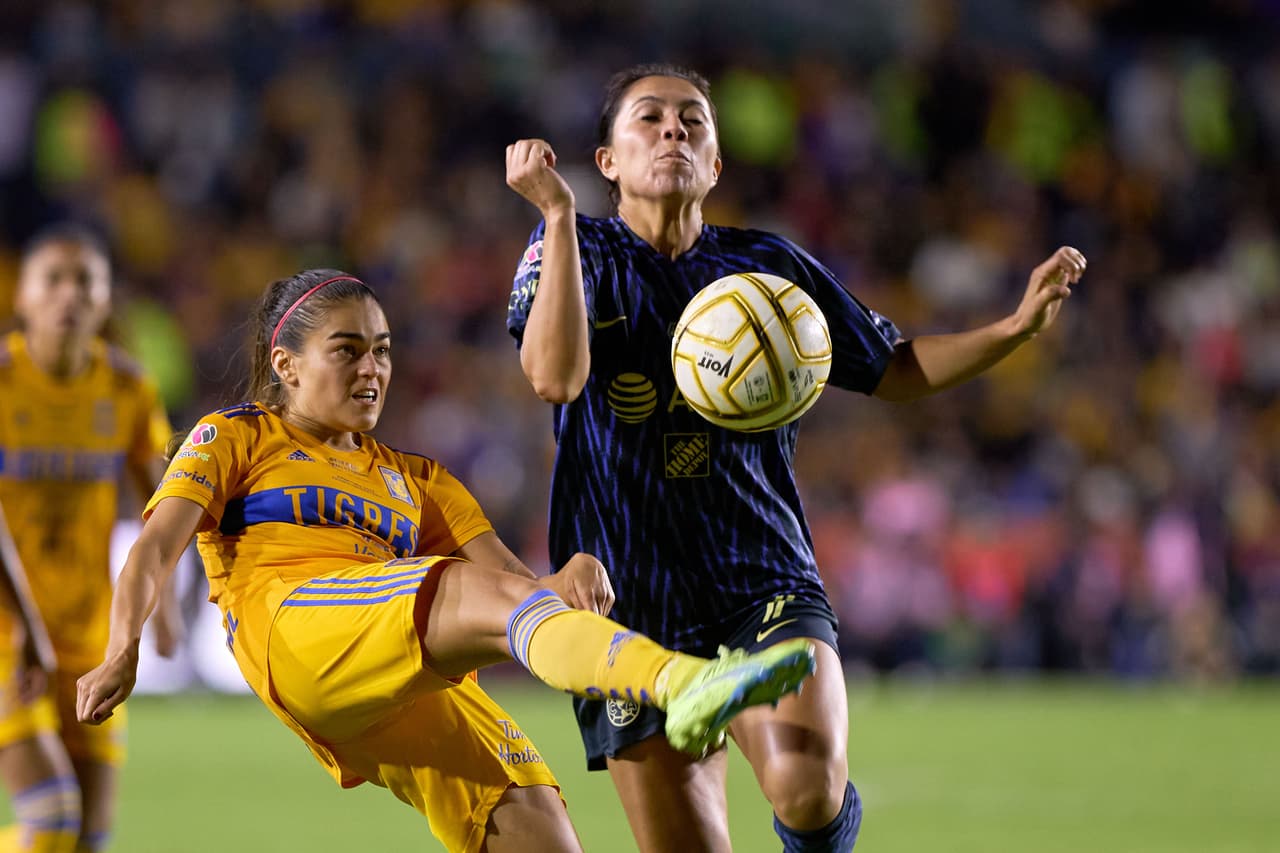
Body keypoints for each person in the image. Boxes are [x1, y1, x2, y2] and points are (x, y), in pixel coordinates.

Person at [504, 63, 1087, 852]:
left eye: (693, 121)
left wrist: (1012, 330)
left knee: (807, 789)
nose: (673, 129)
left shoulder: (768, 267)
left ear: (715, 164)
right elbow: (554, 375)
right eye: (649, 117)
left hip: (761, 576)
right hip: (627, 602)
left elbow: (893, 369)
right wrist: (560, 215)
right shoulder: (572, 248)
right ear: (606, 160)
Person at [74, 269, 817, 853]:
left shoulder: (417, 478)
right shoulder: (235, 435)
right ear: (287, 364)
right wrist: (122, 649)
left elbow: (521, 596)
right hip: (293, 628)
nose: (373, 368)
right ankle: (681, 682)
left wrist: (569, 577)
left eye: (384, 349)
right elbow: (152, 549)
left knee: (530, 812)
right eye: (348, 349)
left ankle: (674, 683)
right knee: (462, 589)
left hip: (392, 666)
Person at [0, 223, 179, 853]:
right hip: (6, 639)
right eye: (53, 280)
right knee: (50, 817)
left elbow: (165, 499)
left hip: (88, 638)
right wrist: (23, 626)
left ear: (105, 301)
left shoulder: (127, 389)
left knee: (87, 838)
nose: (69, 295)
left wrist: (162, 607)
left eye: (86, 282)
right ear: (21, 297)